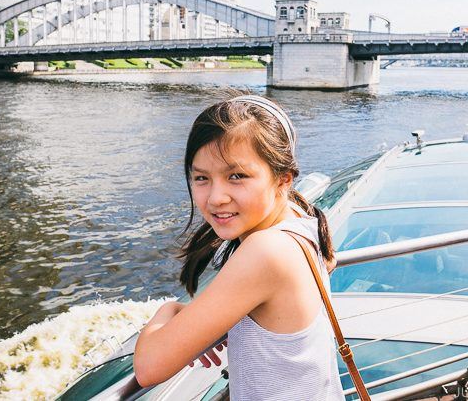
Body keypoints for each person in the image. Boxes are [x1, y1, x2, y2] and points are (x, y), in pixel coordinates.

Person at [133, 94, 345, 400]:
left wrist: (170, 310)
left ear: (283, 179)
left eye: (237, 176)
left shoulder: (266, 250)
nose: (216, 197)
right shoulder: (301, 217)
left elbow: (149, 367)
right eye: (201, 178)